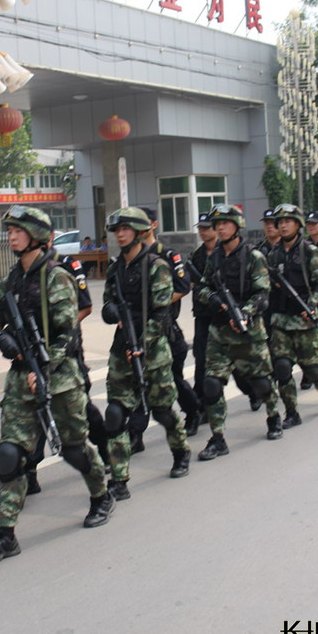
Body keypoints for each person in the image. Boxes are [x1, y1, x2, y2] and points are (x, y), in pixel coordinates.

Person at [0, 206, 114, 562]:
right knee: (10, 455)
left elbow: (67, 335)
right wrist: (2, 339)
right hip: (22, 379)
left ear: (36, 235)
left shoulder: (57, 277)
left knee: (73, 449)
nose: (10, 236)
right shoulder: (12, 280)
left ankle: (101, 495)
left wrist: (44, 367)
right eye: (9, 231)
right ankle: (6, 535)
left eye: (17, 230)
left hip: (60, 379)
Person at [102, 207, 191, 500]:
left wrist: (140, 346)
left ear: (140, 232)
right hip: (121, 349)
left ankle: (180, 452)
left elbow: (161, 314)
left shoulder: (156, 266)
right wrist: (111, 310)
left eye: (125, 229)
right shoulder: (115, 268)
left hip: (152, 349)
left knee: (163, 410)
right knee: (115, 414)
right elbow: (107, 304)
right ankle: (119, 479)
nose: (120, 235)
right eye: (117, 230)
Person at [195, 204, 283, 459]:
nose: (219, 228)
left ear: (236, 226)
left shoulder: (253, 257)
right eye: (216, 224)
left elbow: (262, 293)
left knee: (262, 383)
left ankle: (273, 415)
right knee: (211, 384)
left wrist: (245, 312)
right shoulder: (214, 258)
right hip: (220, 332)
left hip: (248, 332)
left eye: (225, 223)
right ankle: (218, 437)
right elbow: (200, 286)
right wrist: (211, 298)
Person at [24, 237, 110, 494]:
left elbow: (84, 307)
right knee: (36, 409)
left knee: (83, 407)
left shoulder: (67, 266)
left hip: (66, 350)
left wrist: (59, 328)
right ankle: (30, 471)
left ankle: (105, 450)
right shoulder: (24, 271)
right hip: (33, 355)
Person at [126, 207, 201, 452]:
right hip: (137, 330)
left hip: (165, 328)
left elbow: (183, 286)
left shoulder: (167, 254)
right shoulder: (129, 258)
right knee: (139, 383)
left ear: (153, 225)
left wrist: (154, 302)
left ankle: (192, 411)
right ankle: (136, 434)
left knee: (173, 381)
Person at [267, 204, 318, 428]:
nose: (283, 225)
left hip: (304, 320)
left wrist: (311, 304)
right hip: (280, 320)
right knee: (282, 367)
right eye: (280, 222)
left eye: (288, 221)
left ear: (298, 224)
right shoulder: (273, 254)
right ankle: (292, 412)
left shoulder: (309, 252)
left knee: (311, 369)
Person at [187, 212, 218, 428]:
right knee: (201, 360)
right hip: (203, 315)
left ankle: (253, 392)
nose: (203, 231)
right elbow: (188, 284)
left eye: (207, 227)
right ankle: (202, 405)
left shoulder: (224, 254)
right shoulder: (196, 257)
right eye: (201, 228)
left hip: (224, 315)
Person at [301, 210, 318, 389]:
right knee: (311, 334)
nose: (311, 227)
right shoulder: (304, 246)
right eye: (309, 224)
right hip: (308, 297)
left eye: (315, 224)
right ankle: (308, 372)